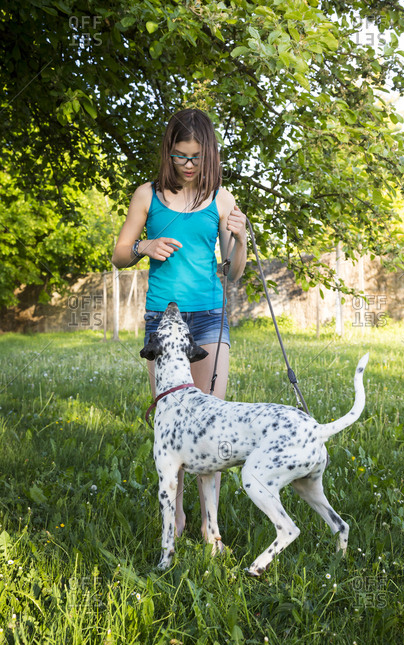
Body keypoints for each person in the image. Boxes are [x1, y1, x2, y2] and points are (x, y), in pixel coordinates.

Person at [112, 108, 247, 540]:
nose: (188, 166)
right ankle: (179, 517)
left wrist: (240, 239)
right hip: (163, 322)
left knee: (209, 425)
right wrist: (143, 245)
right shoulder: (146, 195)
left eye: (196, 157)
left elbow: (233, 272)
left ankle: (212, 527)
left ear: (210, 155)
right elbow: (118, 254)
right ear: (168, 153)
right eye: (179, 157)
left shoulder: (222, 200)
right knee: (172, 430)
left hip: (208, 319)